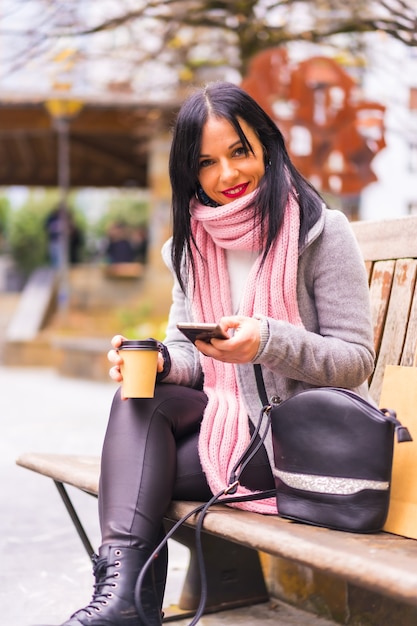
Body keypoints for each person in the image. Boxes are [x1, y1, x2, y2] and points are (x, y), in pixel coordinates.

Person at [42, 81, 375, 626]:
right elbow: (192, 352)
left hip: (302, 442)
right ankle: (125, 600)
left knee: (137, 473)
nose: (228, 175)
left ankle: (126, 604)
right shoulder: (190, 247)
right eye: (206, 162)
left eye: (239, 151)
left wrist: (267, 341)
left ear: (266, 144)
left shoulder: (319, 231)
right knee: (139, 397)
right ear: (189, 173)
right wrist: (163, 362)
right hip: (231, 425)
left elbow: (355, 359)